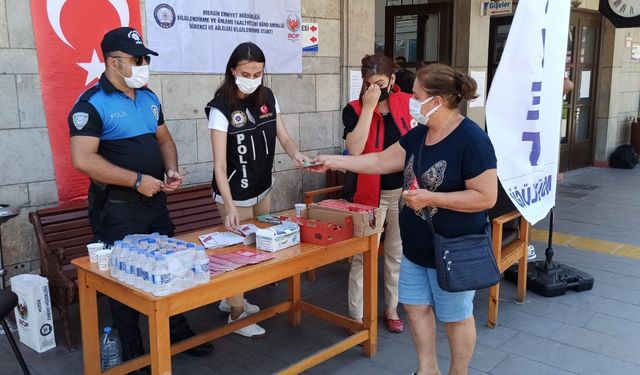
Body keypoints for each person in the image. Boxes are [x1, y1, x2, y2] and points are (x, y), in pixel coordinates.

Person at [311, 63, 497, 375]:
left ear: (436, 100)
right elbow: (381, 160)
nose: (411, 99)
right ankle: (427, 369)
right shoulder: (420, 134)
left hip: (453, 248)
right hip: (415, 248)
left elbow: (485, 197)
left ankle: (458, 372)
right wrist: (332, 160)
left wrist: (432, 198)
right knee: (414, 307)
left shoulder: (472, 140)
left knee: (455, 316)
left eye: (417, 95)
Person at [68, 27, 213, 373]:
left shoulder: (148, 97)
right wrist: (135, 181)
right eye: (138, 59)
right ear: (114, 62)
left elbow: (164, 140)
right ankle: (134, 350)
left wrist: (171, 169)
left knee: (170, 268)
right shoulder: (90, 105)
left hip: (155, 205)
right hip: (117, 210)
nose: (144, 64)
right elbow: (83, 159)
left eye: (145, 58)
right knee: (125, 280)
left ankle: (177, 331)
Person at [205, 42, 309, 338]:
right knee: (237, 253)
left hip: (263, 186)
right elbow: (219, 167)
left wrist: (296, 155)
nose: (252, 78)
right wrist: (228, 206)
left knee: (259, 245)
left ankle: (230, 298)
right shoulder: (220, 108)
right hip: (233, 192)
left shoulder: (267, 97)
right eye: (246, 72)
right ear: (233, 71)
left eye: (258, 73)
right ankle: (236, 316)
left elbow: (285, 137)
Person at [342, 54, 414, 333]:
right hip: (367, 193)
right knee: (361, 256)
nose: (375, 88)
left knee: (396, 253)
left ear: (392, 80)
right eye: (370, 83)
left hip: (401, 191)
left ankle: (391, 308)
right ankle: (355, 314)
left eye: (381, 83)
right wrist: (369, 109)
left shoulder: (407, 104)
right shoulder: (354, 109)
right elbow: (355, 149)